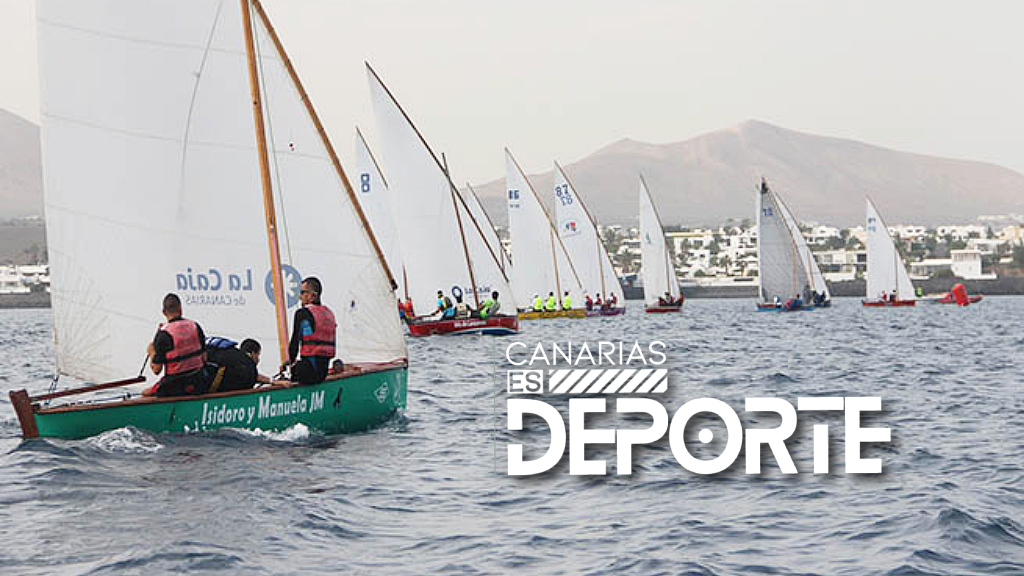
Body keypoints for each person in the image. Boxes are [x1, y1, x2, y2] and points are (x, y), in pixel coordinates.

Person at [143, 293, 208, 397]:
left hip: (174, 386)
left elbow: (156, 370)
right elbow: (204, 358)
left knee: (144, 393)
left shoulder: (163, 334)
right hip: (198, 382)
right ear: (180, 309)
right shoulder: (195, 326)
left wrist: (151, 351)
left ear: (164, 312)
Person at [283, 277, 336, 386]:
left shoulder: (302, 313)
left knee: (296, 369)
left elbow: (294, 342)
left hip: (308, 372)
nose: (300, 296)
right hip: (323, 373)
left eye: (302, 293)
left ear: (312, 295)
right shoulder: (329, 314)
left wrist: (288, 364)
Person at [205, 338, 277, 393]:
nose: (258, 359)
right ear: (253, 353)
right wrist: (273, 381)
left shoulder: (231, 355)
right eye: (258, 354)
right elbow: (253, 375)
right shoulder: (246, 363)